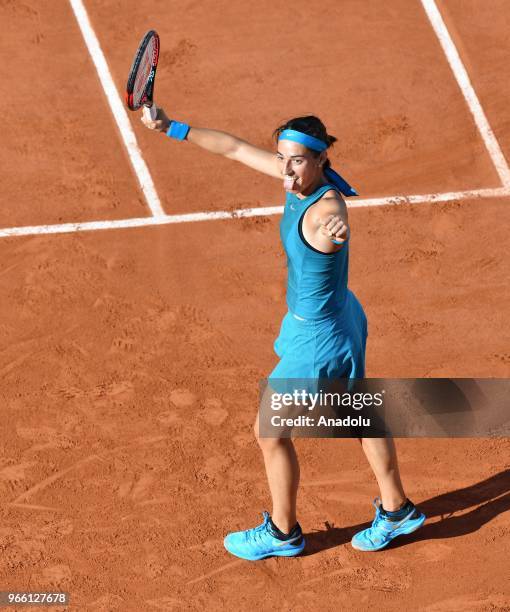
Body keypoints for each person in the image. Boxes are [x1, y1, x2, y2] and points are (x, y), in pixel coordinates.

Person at [141, 108, 426, 560]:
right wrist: (171, 127)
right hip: (340, 318)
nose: (286, 171)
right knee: (354, 408)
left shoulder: (327, 209)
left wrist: (339, 230)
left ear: (320, 159)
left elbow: (335, 227)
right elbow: (232, 147)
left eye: (296, 161)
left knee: (269, 431)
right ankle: (396, 511)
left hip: (318, 339)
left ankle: (282, 531)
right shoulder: (301, 177)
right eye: (281, 159)